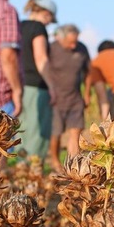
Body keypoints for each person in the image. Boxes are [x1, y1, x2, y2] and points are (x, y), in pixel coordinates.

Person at [16, 0, 58, 160]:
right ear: (46, 14)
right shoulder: (38, 28)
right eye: (50, 19)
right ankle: (33, 171)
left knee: (22, 130)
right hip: (37, 86)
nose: (48, 23)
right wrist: (52, 87)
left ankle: (21, 169)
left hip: (19, 86)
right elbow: (41, 58)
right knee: (37, 132)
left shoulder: (17, 25)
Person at [45, 24, 91, 171]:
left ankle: (74, 164)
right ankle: (55, 161)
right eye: (70, 42)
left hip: (75, 98)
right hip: (56, 99)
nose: (73, 45)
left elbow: (88, 72)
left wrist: (87, 93)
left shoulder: (82, 49)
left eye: (75, 41)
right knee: (56, 132)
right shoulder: (52, 48)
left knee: (76, 131)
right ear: (61, 38)